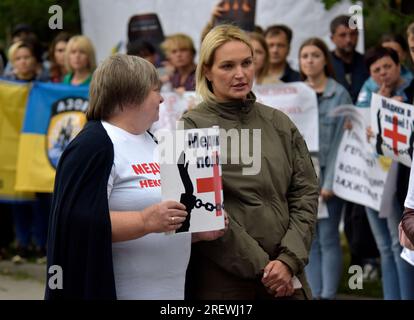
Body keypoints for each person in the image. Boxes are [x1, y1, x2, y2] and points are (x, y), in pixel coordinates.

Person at [45, 54, 226, 300]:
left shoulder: (154, 141)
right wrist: (144, 220)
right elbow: (76, 221)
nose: (162, 98)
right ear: (130, 95)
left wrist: (196, 230)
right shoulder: (92, 145)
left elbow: (163, 222)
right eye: (156, 90)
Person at [181, 24, 318, 300]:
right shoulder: (190, 127)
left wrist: (288, 260)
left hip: (287, 277)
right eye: (227, 66)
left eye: (247, 63)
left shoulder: (279, 122)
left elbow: (305, 194)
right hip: (225, 283)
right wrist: (265, 269)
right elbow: (202, 214)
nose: (240, 74)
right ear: (206, 71)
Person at [356, 46, 414, 300]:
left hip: (400, 180)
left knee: (399, 242)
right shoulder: (367, 91)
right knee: (384, 247)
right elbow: (360, 127)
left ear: (398, 64)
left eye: (387, 67)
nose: (383, 74)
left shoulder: (411, 88)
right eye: (376, 70)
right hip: (374, 176)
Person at [298, 38, 351, 299]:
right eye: (304, 55)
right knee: (311, 239)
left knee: (329, 237)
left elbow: (344, 141)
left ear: (325, 60)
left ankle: (328, 294)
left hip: (330, 175)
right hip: (302, 178)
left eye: (315, 55)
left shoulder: (339, 93)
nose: (309, 60)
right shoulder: (294, 92)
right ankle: (314, 293)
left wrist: (330, 182)